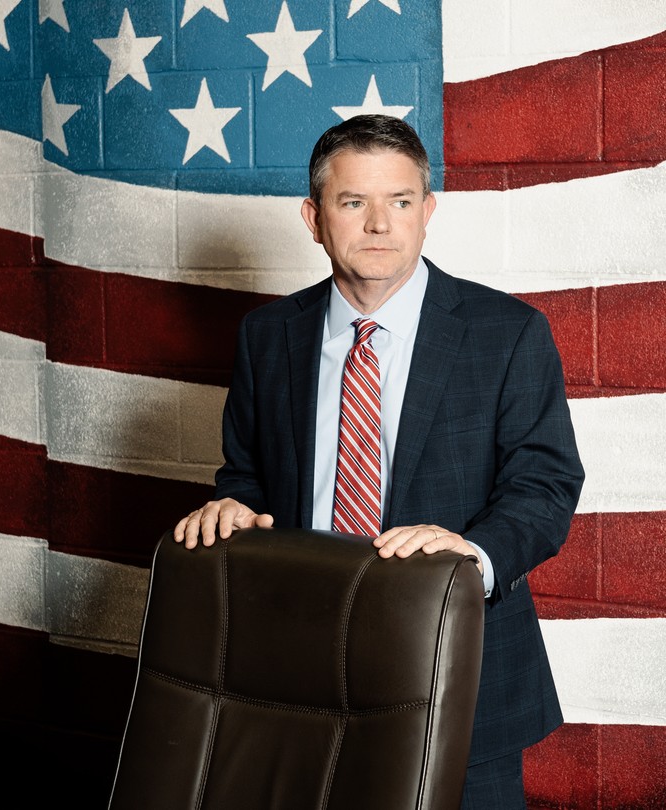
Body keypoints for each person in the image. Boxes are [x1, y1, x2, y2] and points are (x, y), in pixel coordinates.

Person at [173, 114, 585, 809]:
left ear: (427, 213)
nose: (378, 225)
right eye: (352, 202)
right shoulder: (267, 337)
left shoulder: (508, 333)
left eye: (399, 202)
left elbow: (545, 488)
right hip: (301, 674)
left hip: (462, 673)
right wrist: (234, 506)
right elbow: (244, 471)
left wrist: (471, 555)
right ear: (313, 217)